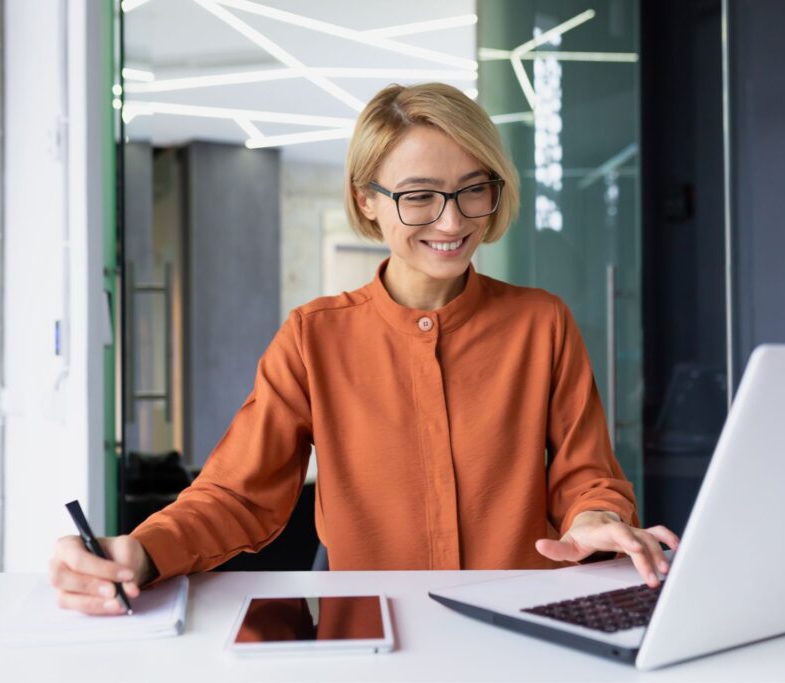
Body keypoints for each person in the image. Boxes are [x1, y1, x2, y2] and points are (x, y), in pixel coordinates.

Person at [49, 83, 679, 615]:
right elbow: (239, 495)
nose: (453, 222)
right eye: (420, 195)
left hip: (522, 623)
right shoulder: (313, 337)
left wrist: (595, 516)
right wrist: (144, 548)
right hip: (374, 635)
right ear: (366, 201)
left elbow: (586, 474)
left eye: (472, 189)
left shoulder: (542, 323)